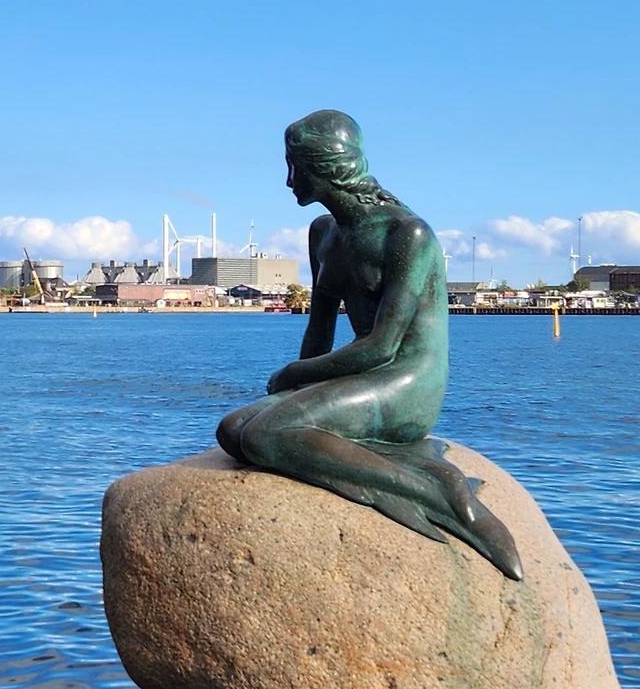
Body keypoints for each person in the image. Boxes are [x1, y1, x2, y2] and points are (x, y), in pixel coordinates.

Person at [216, 110, 521, 577]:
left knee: (264, 435)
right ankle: (368, 457)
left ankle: (444, 497)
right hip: (361, 374)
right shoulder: (323, 233)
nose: (289, 180)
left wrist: (294, 376)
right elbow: (319, 332)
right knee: (234, 429)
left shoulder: (407, 234)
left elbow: (382, 346)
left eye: (295, 166)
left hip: (406, 379)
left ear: (325, 166)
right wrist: (295, 391)